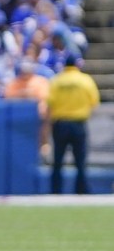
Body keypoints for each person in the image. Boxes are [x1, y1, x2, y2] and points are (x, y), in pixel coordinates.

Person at [47, 53, 100, 194]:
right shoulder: (85, 80)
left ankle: (55, 191)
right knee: (80, 161)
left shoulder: (57, 80)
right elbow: (94, 102)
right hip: (78, 123)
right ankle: (81, 191)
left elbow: (49, 103)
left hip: (60, 124)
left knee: (57, 160)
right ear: (77, 64)